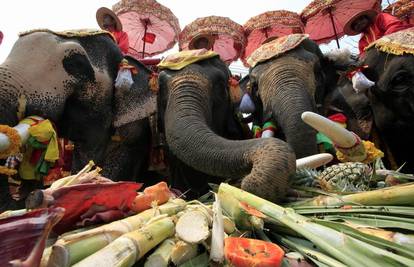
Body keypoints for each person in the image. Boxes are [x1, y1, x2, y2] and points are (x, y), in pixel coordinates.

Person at [344, 9, 413, 57]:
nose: (359, 23)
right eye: (355, 24)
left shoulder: (381, 17)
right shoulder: (362, 42)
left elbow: (395, 26)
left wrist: (379, 44)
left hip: (405, 48)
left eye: (361, 19)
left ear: (366, 17)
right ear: (354, 29)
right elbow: (364, 57)